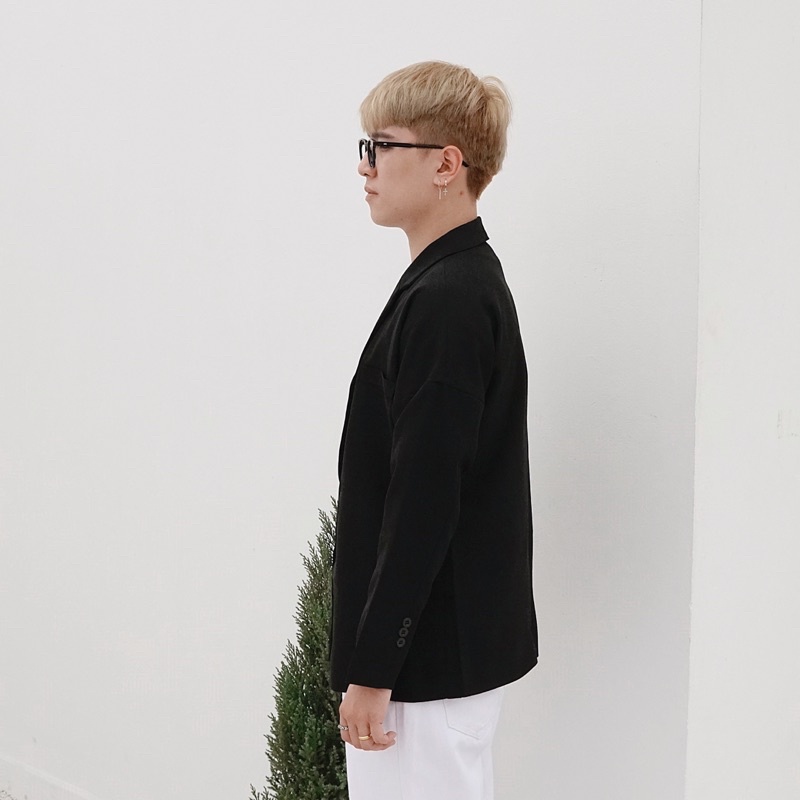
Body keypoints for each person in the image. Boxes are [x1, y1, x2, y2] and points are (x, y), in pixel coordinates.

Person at [329, 61, 538, 800]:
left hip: (424, 671)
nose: (366, 167)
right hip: (435, 662)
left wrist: (374, 669)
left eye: (382, 146)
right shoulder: (451, 282)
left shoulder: (449, 299)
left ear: (448, 164)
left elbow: (424, 500)